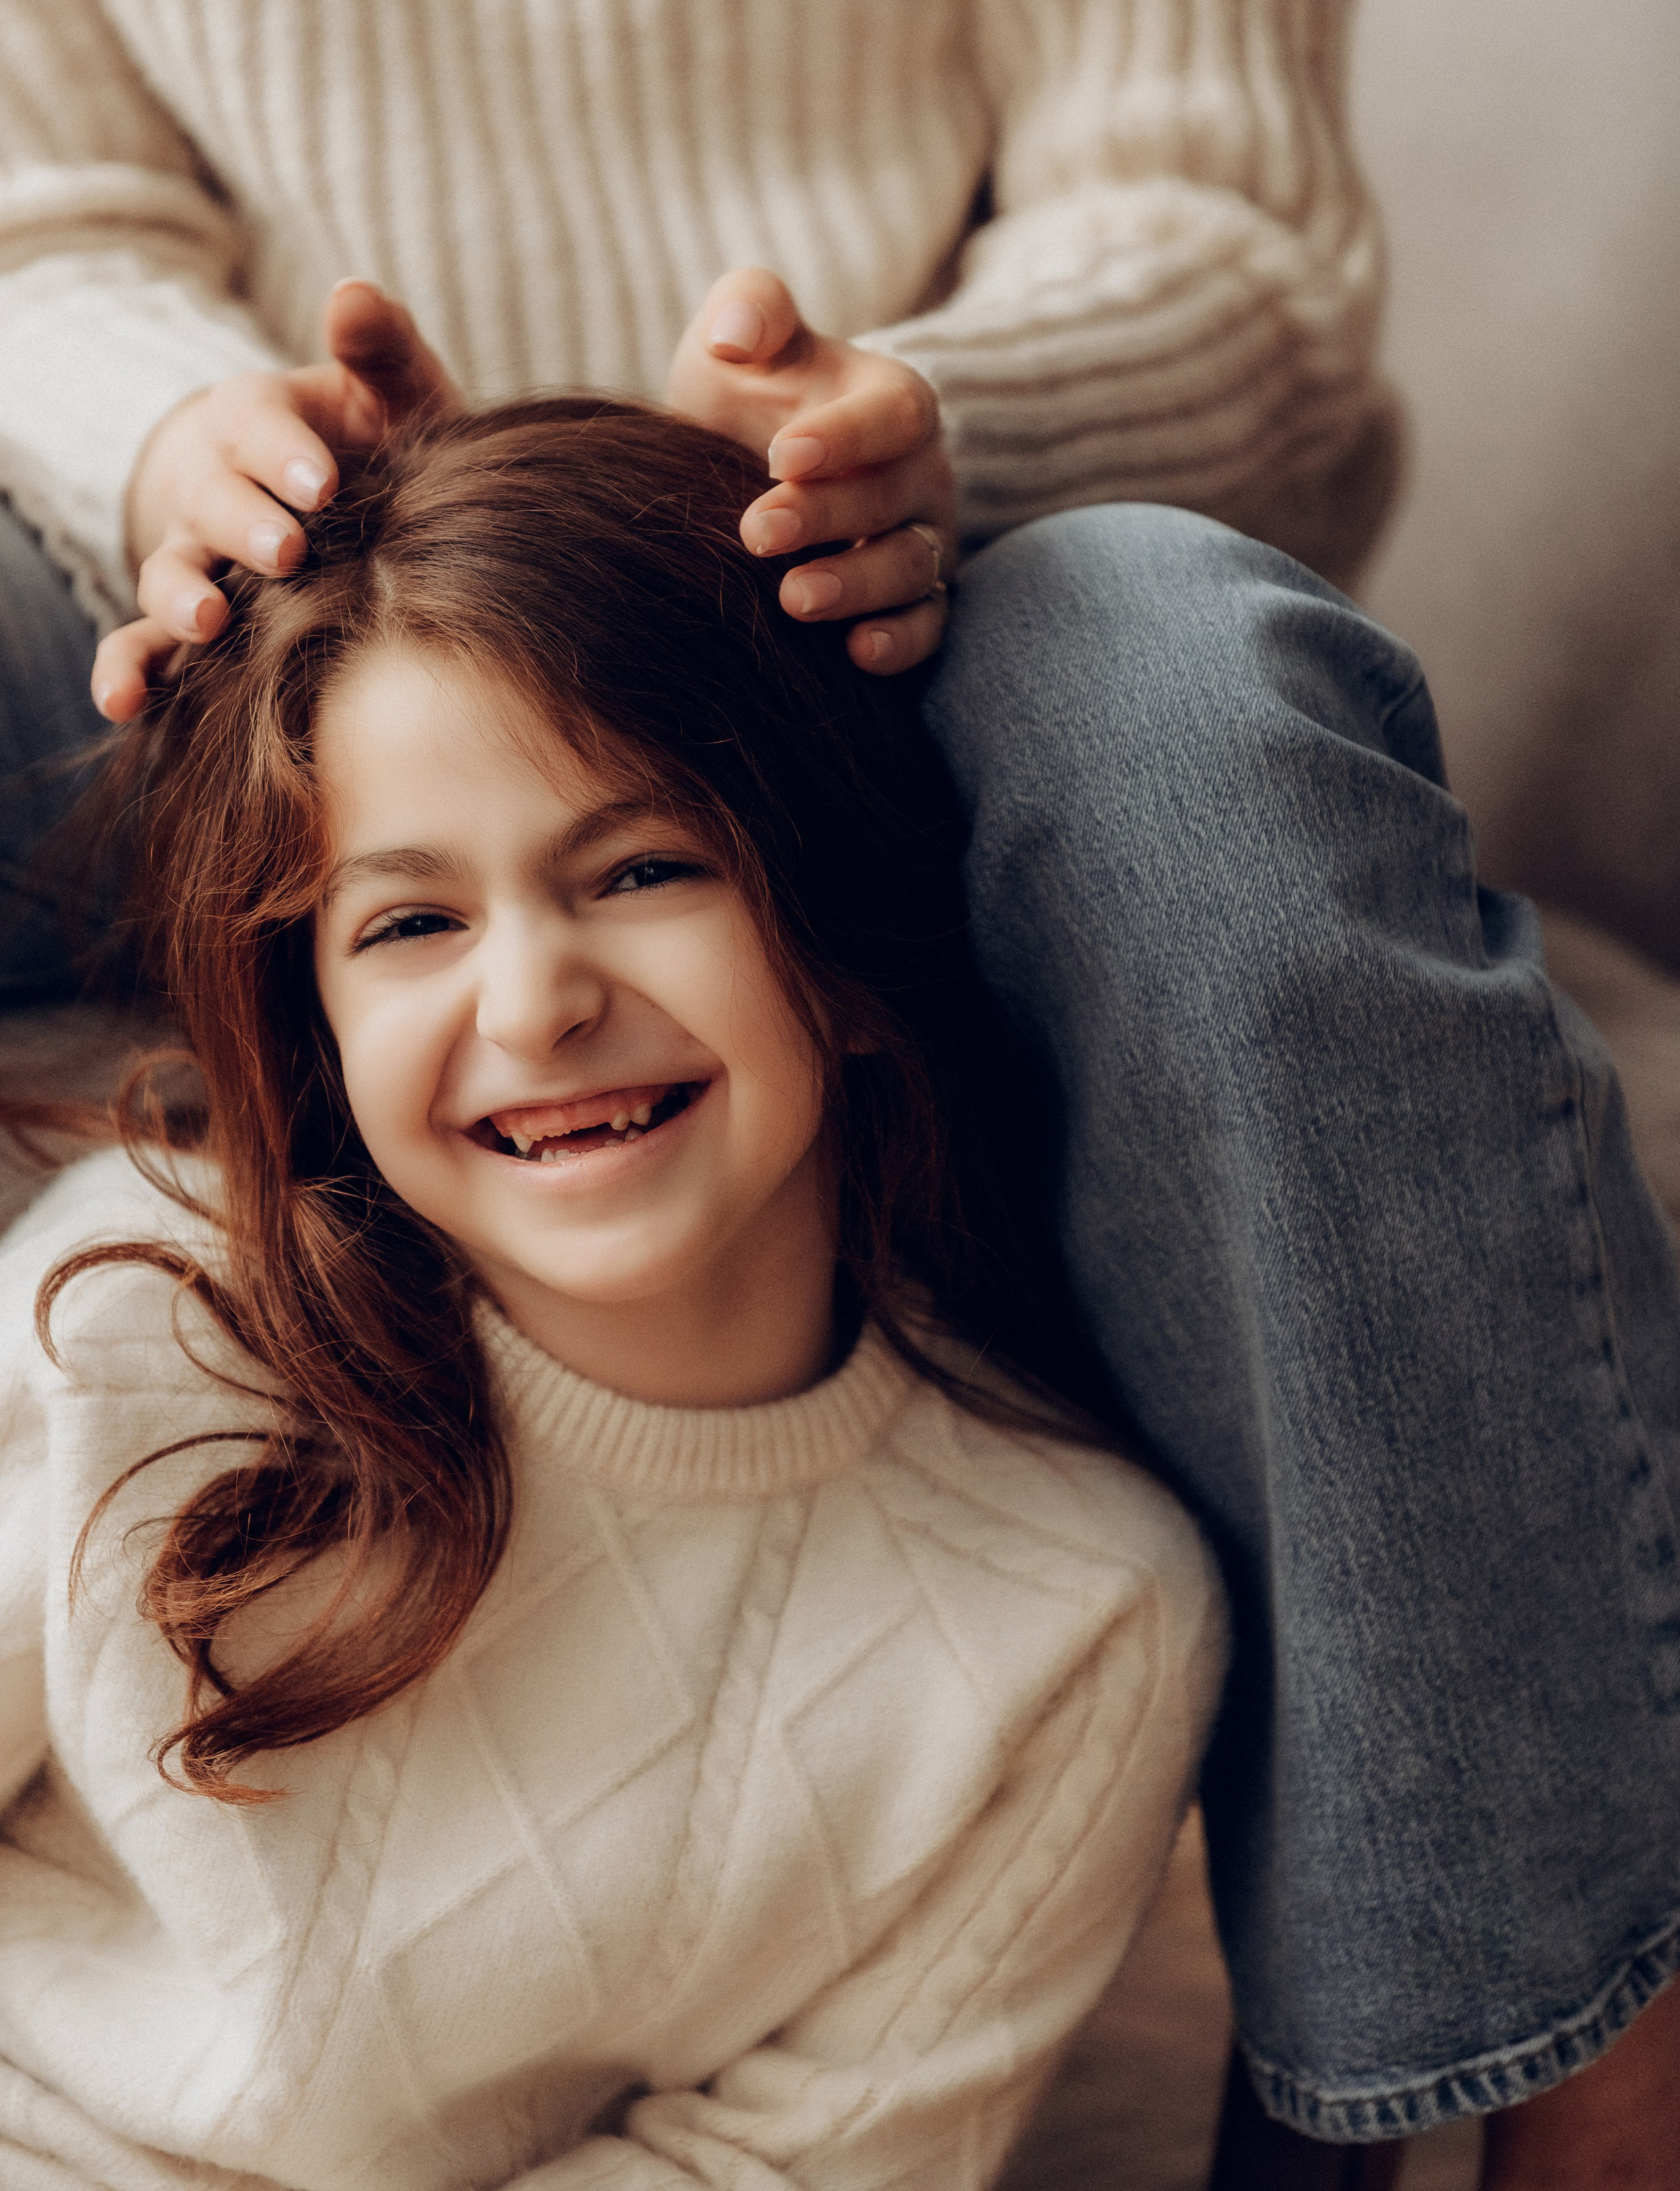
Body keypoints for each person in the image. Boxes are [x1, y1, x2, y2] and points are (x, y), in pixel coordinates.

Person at [0, 0, 1675, 2181]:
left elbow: (1225, 251)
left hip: (858, 589)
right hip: (231, 606)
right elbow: (43, 210)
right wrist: (174, 438)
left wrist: (923, 426)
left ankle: (1561, 2057)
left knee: (1202, 723)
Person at [0, 397, 1228, 2188]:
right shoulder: (140, 1321)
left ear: (851, 934)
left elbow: (785, 2168)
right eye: (411, 925)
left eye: (642, 871)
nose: (535, 1006)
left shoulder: (1082, 1619)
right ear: (319, 1031)